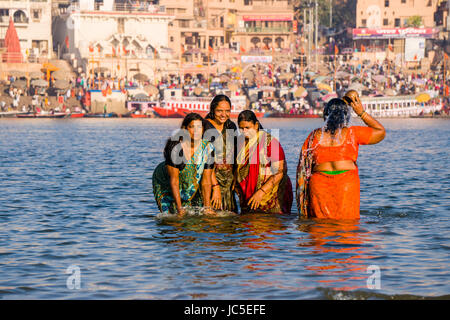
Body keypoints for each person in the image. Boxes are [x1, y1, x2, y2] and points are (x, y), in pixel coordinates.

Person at [296, 93, 385, 220]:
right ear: (346, 116)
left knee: (320, 230)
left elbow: (302, 169)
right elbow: (381, 132)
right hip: (347, 184)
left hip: (319, 185)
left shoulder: (314, 136)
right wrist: (361, 113)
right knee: (348, 228)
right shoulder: (352, 133)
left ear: (325, 115)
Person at [152, 113, 215, 215]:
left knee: (197, 214)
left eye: (199, 127)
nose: (196, 131)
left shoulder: (208, 148)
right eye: (192, 127)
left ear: (203, 129)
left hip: (190, 182)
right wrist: (180, 209)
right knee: (173, 217)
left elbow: (206, 180)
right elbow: (174, 181)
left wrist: (207, 208)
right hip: (165, 181)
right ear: (185, 129)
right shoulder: (175, 147)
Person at [235, 110, 293, 214]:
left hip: (269, 195)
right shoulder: (239, 142)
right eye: (241, 128)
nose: (244, 131)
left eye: (248, 128)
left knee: (268, 227)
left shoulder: (270, 142)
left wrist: (260, 193)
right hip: (247, 195)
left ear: (256, 125)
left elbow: (280, 172)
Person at [203, 94, 238, 212]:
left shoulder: (231, 126)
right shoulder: (205, 127)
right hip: (210, 180)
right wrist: (215, 186)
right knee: (212, 219)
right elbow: (204, 160)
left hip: (228, 181)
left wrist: (235, 177)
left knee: (230, 222)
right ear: (213, 109)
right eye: (220, 111)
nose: (224, 114)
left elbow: (234, 153)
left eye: (227, 111)